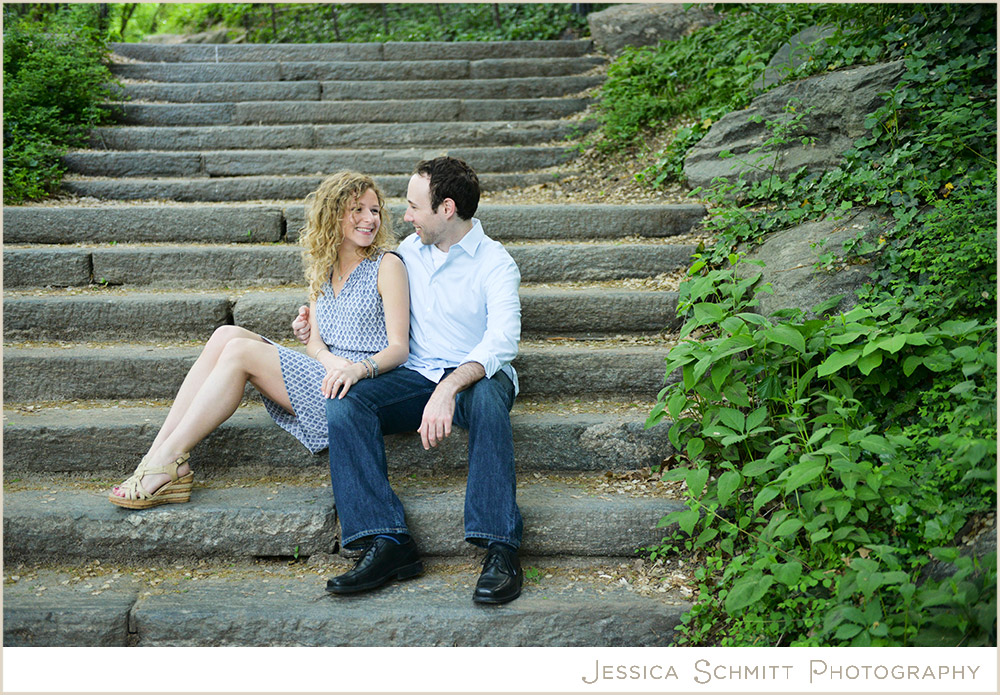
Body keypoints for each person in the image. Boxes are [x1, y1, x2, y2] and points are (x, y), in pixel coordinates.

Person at [293, 157, 524, 605]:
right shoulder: (406, 255)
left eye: (414, 206)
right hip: (416, 377)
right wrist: (312, 329)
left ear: (447, 209)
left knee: (490, 403)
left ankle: (501, 547)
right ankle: (388, 541)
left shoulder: (496, 263)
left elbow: (501, 344)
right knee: (346, 401)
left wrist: (449, 387)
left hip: (476, 377)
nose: (404, 216)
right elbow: (360, 300)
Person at [109, 172, 409, 509]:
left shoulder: (387, 265)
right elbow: (315, 345)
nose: (370, 219)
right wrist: (322, 352)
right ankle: (156, 456)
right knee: (226, 334)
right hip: (327, 373)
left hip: (359, 388)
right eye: (358, 210)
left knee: (239, 352)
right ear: (333, 214)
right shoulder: (324, 268)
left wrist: (356, 369)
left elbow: (399, 348)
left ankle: (170, 460)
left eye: (375, 210)